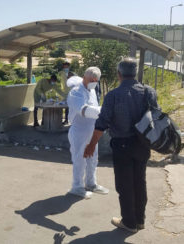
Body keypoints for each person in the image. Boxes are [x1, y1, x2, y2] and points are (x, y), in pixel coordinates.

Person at [84, 58, 159, 232]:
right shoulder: (149, 92)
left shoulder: (113, 95)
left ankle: (129, 223)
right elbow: (156, 116)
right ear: (135, 73)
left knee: (125, 185)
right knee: (139, 182)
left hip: (122, 146)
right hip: (143, 145)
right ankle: (140, 220)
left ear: (119, 74)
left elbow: (102, 123)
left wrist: (90, 145)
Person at [67, 67, 109, 199]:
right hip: (79, 131)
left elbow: (93, 109)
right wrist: (104, 111)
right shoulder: (76, 92)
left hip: (91, 130)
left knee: (92, 158)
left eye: (96, 81)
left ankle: (91, 183)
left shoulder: (91, 91)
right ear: (84, 78)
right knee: (79, 159)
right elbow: (84, 110)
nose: (94, 82)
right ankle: (77, 187)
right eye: (92, 80)